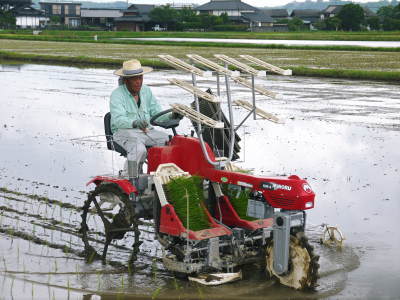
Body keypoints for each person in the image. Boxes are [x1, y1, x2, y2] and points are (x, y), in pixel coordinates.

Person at [110, 59, 169, 183]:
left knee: (168, 141)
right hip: (123, 131)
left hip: (146, 131)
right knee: (139, 149)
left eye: (140, 78)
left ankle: (158, 178)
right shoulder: (117, 95)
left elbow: (157, 113)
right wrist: (134, 122)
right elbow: (118, 119)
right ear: (126, 80)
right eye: (134, 79)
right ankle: (128, 178)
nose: (138, 82)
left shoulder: (146, 91)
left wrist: (173, 115)